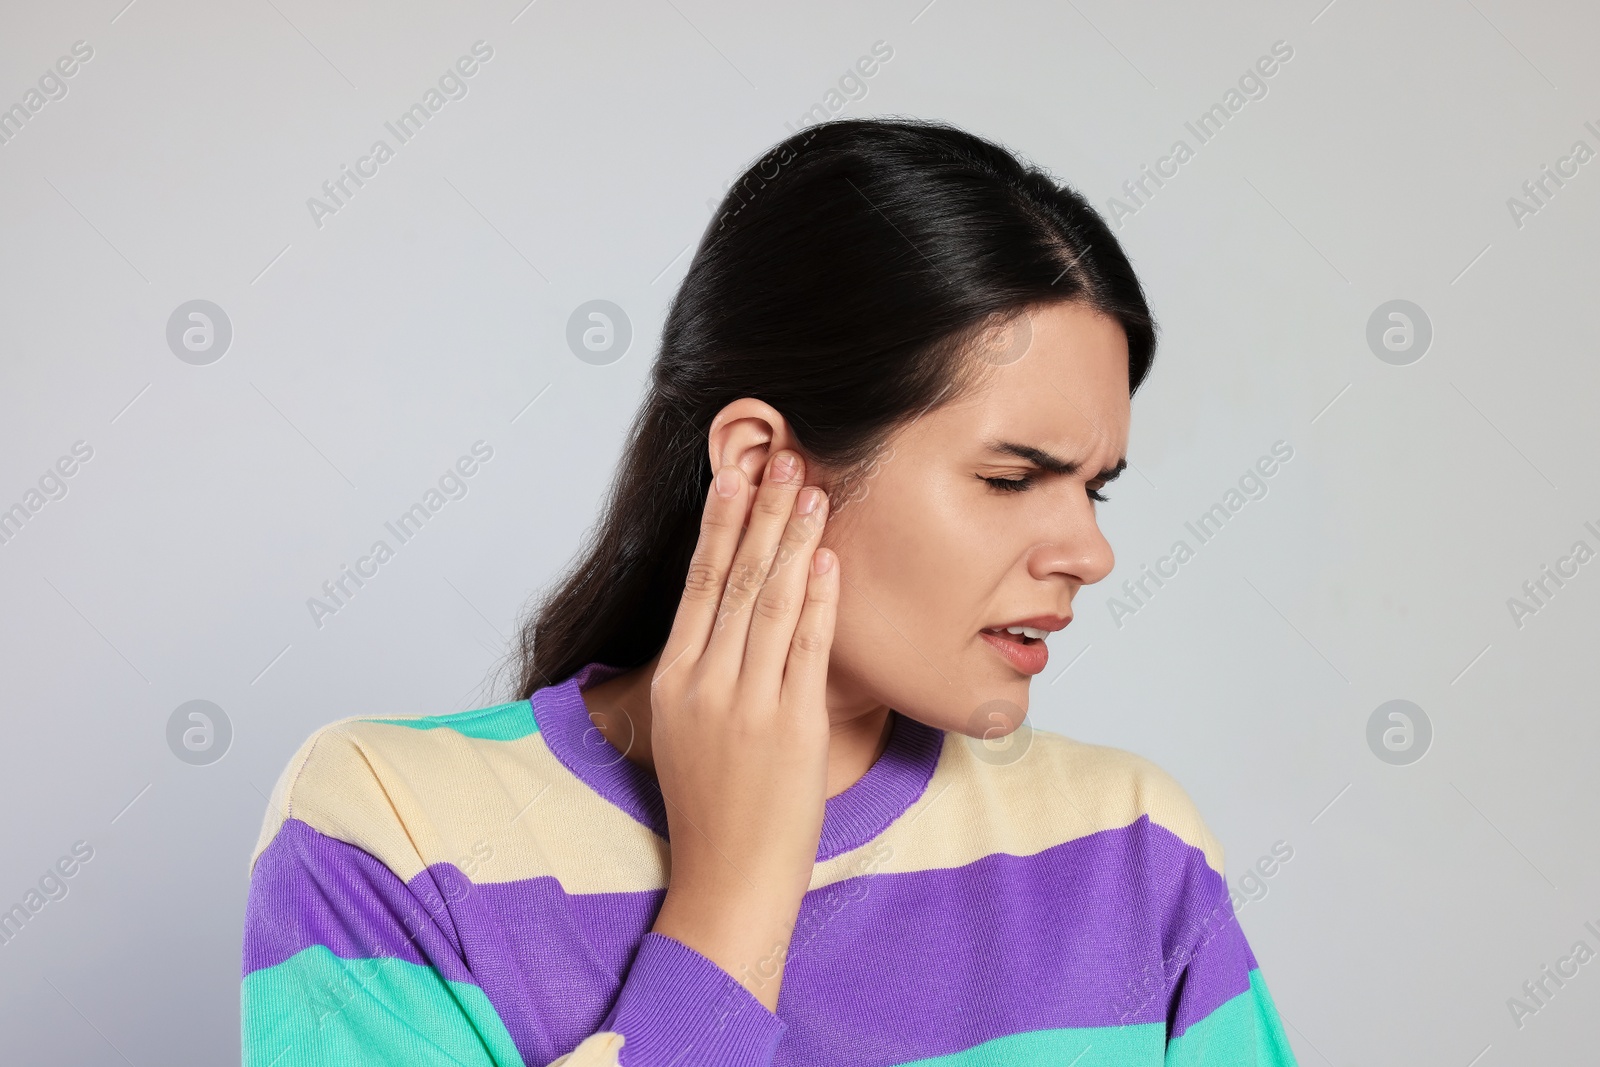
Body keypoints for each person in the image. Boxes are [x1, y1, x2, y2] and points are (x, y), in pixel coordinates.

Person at [241, 118, 1298, 1066]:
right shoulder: (390, 827)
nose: (1089, 551)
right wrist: (730, 902)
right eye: (1010, 477)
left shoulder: (1128, 845)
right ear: (761, 463)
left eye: (1095, 487)